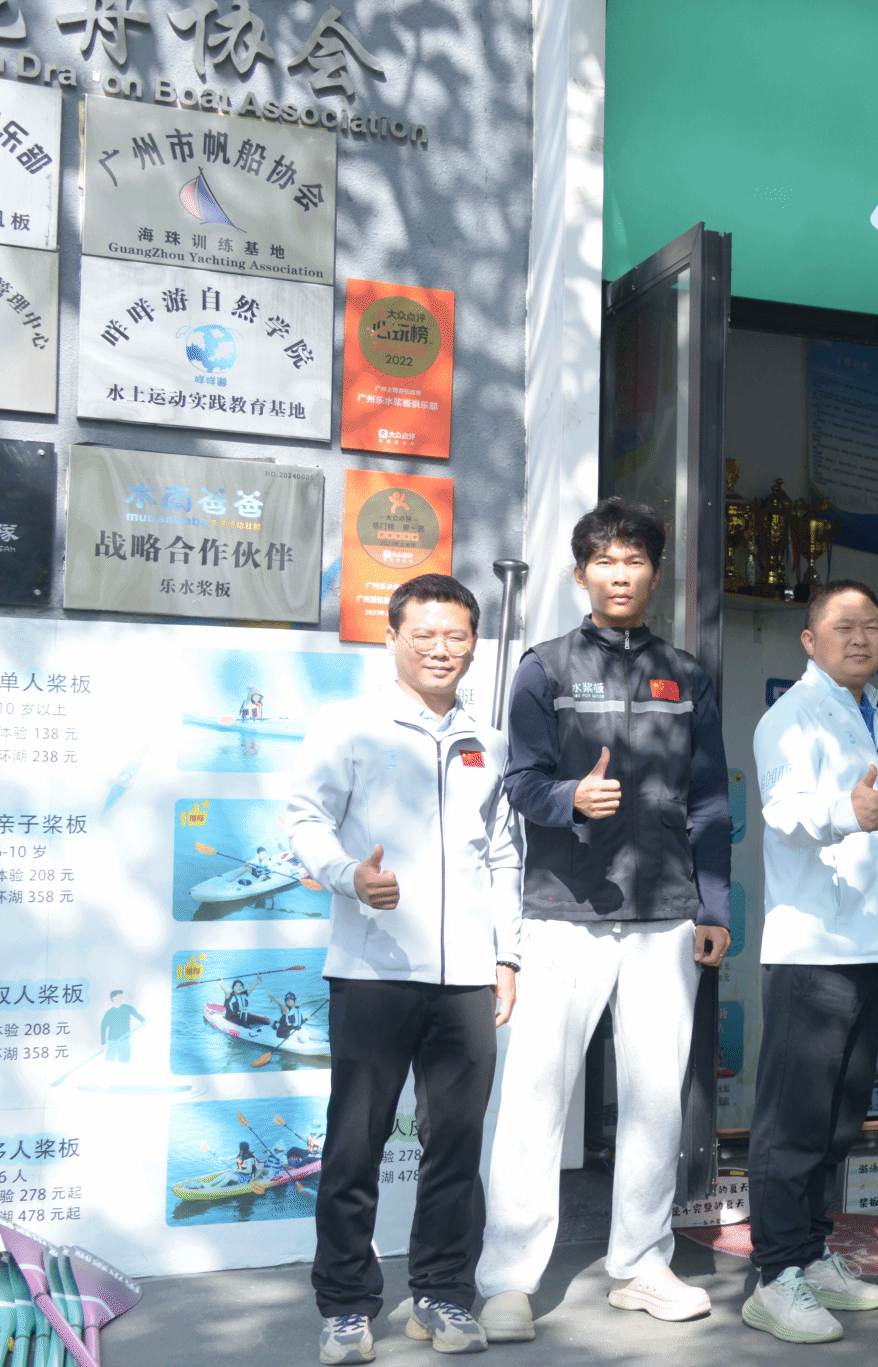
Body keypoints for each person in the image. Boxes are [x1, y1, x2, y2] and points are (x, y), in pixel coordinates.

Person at [477, 498, 730, 1343]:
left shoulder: (686, 675)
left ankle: (640, 1265)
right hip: (564, 913)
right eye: (605, 561)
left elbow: (711, 800)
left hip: (666, 917)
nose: (620, 575)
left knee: (656, 1101)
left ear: (655, 572)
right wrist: (570, 800)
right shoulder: (544, 668)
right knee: (534, 1101)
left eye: (635, 560)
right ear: (581, 572)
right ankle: (507, 1279)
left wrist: (714, 904)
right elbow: (518, 783)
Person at [286, 573, 521, 1366]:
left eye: (455, 635)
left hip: (465, 979)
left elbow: (503, 854)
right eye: (423, 634)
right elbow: (304, 818)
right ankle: (345, 1305)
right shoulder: (349, 724)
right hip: (373, 970)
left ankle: (443, 1292)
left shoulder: (488, 740)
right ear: (392, 638)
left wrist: (507, 953)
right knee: (355, 1143)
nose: (439, 649)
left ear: (474, 644)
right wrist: (350, 876)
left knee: (454, 1145)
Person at [743, 580, 878, 1345]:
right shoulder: (792, 716)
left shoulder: (877, 718)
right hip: (811, 951)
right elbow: (783, 813)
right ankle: (773, 1275)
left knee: (838, 1119)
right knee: (794, 1122)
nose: (860, 636)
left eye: (872, 624)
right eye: (843, 625)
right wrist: (846, 811)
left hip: (866, 948)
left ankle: (810, 1253)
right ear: (809, 640)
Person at [100, 990, 144, 1064]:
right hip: (112, 1042)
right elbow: (103, 1027)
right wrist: (104, 1043)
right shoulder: (109, 1013)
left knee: (125, 1063)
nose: (120, 998)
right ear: (113, 998)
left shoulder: (128, 1008)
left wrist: (144, 1021)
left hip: (125, 1041)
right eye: (118, 997)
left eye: (121, 997)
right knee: (109, 1063)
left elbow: (138, 1016)